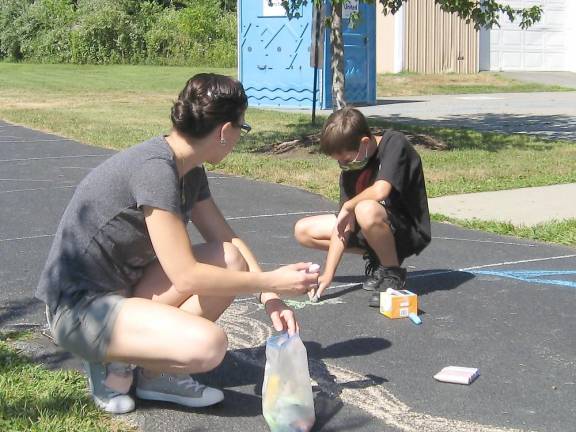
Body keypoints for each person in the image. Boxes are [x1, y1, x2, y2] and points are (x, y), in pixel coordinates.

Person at [36, 73, 319, 414]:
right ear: (225, 131)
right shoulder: (156, 171)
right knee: (209, 345)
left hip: (123, 291)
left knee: (228, 258)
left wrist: (270, 297)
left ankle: (154, 375)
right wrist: (273, 280)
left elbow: (226, 237)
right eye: (241, 129)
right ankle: (109, 361)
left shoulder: (189, 169)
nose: (238, 138)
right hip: (81, 311)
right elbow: (185, 276)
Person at [294, 107, 430, 307]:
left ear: (364, 143)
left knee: (364, 208)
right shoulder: (351, 168)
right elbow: (344, 226)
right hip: (371, 226)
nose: (343, 165)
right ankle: (378, 256)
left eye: (346, 159)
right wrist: (328, 274)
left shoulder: (394, 143)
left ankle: (393, 273)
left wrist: (350, 205)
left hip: (406, 230)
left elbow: (381, 190)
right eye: (339, 161)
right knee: (303, 230)